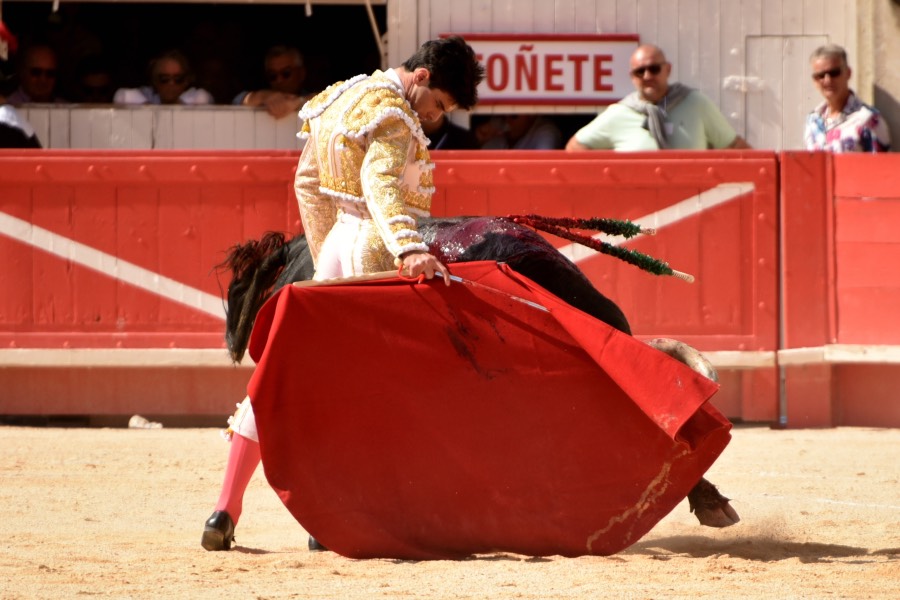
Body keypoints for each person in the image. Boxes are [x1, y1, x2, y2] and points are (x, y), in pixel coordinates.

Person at [201, 35, 485, 552]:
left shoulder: (344, 94)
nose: (438, 118)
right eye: (440, 104)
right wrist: (405, 247)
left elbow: (306, 179)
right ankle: (330, 520)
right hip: (375, 252)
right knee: (369, 387)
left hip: (336, 246)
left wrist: (323, 253)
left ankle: (225, 507)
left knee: (283, 377)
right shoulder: (396, 117)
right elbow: (381, 185)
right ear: (422, 78)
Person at [566, 44, 750, 151]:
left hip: (694, 205)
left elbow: (736, 147)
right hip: (636, 209)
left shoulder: (695, 103)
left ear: (667, 69)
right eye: (640, 71)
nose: (647, 76)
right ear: (632, 77)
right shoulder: (619, 113)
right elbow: (575, 148)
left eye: (654, 69)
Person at [804, 44, 891, 153]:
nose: (827, 80)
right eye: (821, 75)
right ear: (815, 81)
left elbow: (882, 167)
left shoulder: (869, 119)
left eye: (834, 73)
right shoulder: (813, 120)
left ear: (848, 73)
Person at [233, 45, 311, 119]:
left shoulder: (314, 98)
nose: (279, 80)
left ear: (301, 73)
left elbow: (322, 100)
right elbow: (239, 100)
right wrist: (264, 97)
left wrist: (299, 101)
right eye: (273, 75)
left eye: (286, 73)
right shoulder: (263, 101)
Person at [113, 49, 212, 105]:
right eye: (164, 79)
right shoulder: (145, 96)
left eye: (178, 79)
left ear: (186, 81)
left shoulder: (197, 98)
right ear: (154, 80)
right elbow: (122, 95)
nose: (171, 83)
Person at [480, 114, 563, 149]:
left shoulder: (546, 132)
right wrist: (479, 137)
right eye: (503, 117)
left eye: (514, 116)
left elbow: (543, 169)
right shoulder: (498, 133)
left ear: (531, 115)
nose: (507, 122)